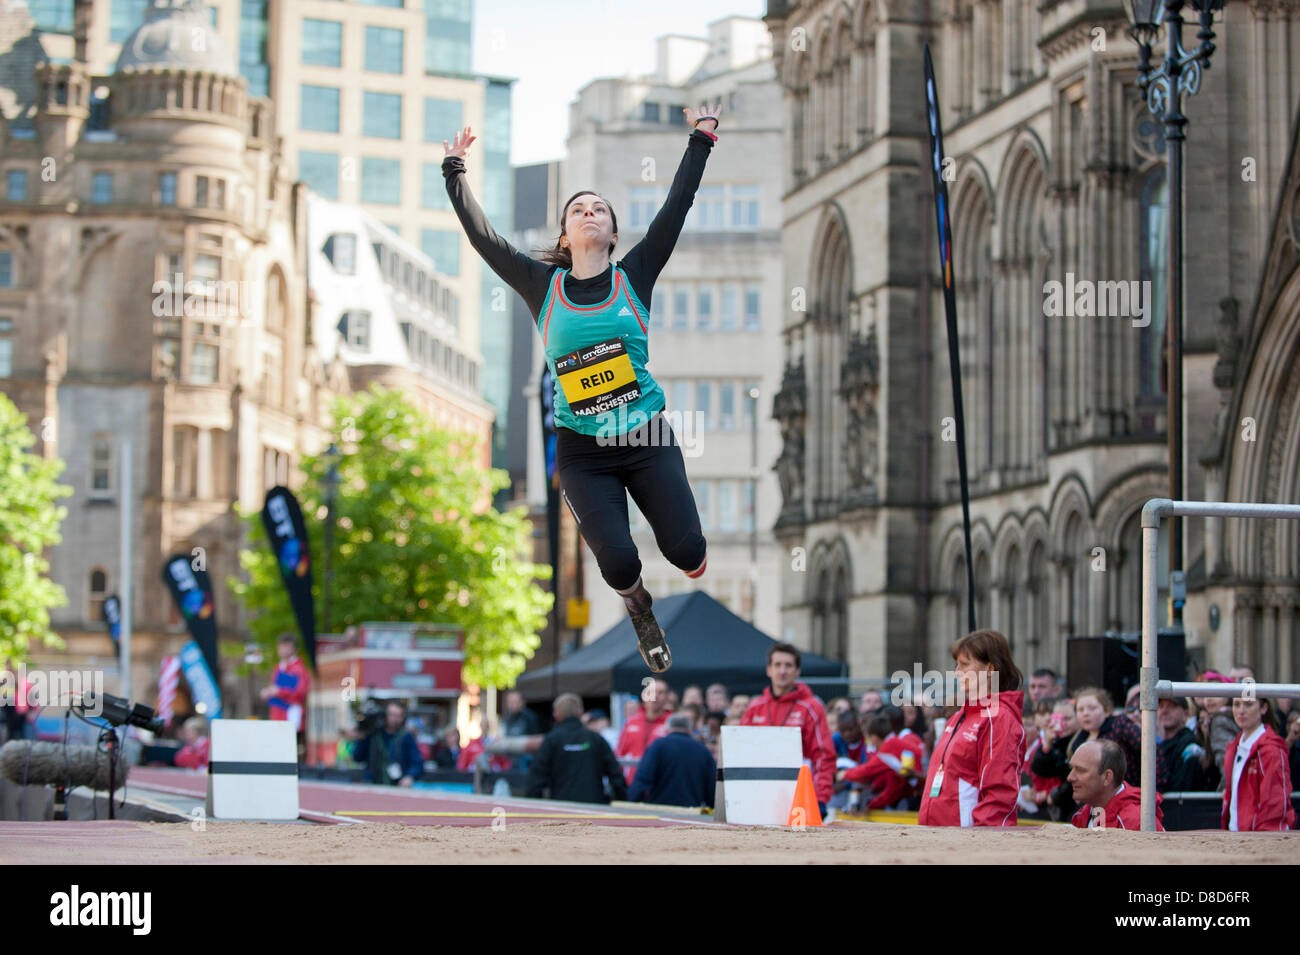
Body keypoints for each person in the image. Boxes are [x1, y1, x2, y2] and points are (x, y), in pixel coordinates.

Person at [443, 105, 723, 674]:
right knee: (618, 563)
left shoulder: (636, 272)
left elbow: (677, 207)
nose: (589, 213)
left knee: (688, 553)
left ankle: (676, 561)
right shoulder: (540, 285)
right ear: (566, 236)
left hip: (645, 434)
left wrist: (700, 140)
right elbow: (484, 237)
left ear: (613, 232)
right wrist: (455, 170)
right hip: (583, 450)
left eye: (599, 209)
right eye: (578, 210)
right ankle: (638, 606)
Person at [917, 629, 1026, 827]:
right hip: (937, 836)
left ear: (989, 669)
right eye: (956, 665)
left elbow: (999, 793)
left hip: (967, 844)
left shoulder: (999, 718)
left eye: (964, 665)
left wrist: (981, 845)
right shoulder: (959, 716)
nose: (957, 673)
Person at [741, 642, 836, 813]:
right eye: (777, 665)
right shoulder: (755, 707)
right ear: (769, 670)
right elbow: (741, 754)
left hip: (798, 796)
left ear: (797, 671)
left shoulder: (811, 707)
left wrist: (821, 797)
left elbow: (823, 755)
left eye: (788, 665)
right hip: (759, 795)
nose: (782, 671)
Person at [527, 693, 627, 804]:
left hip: (561, 808)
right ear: (581, 712)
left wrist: (535, 808)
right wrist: (622, 802)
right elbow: (616, 775)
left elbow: (536, 779)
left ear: (556, 714)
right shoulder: (596, 739)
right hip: (594, 808)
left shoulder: (551, 740)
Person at [1221, 695, 1295, 831]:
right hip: (1236, 836)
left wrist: (1264, 839)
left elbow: (1275, 803)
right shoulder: (1232, 748)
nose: (1241, 711)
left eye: (1248, 704)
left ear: (1264, 708)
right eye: (1236, 704)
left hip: (1260, 839)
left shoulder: (1272, 750)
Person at [1069, 739, 1163, 830]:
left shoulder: (1136, 822)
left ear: (1107, 777)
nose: (1070, 777)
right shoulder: (1082, 815)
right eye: (1071, 768)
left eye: (1081, 770)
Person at [628, 712, 715, 808]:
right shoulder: (702, 750)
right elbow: (711, 788)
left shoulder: (658, 746)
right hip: (691, 812)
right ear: (690, 729)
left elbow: (642, 780)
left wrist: (632, 803)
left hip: (659, 811)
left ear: (667, 728)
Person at [349, 701, 422, 786]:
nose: (394, 719)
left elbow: (417, 763)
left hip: (397, 785)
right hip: (373, 784)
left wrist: (409, 776)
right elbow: (357, 757)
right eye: (391, 714)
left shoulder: (406, 737)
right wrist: (362, 736)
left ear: (403, 718)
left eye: (398, 716)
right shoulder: (373, 735)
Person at [261, 632, 310, 760]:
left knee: (289, 751)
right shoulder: (279, 667)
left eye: (286, 647)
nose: (282, 650)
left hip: (290, 715)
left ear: (294, 649)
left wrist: (278, 692)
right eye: (281, 647)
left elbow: (300, 693)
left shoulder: (298, 669)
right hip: (277, 714)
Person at [616, 678, 671, 784]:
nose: (655, 696)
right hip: (632, 784)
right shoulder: (631, 722)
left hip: (660, 785)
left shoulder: (671, 723)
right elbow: (619, 754)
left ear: (667, 697)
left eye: (660, 692)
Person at [1157, 696, 1210, 792]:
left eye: (1172, 706)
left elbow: (1180, 788)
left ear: (1186, 714)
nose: (1164, 711)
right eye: (1161, 706)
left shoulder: (1189, 746)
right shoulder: (1153, 744)